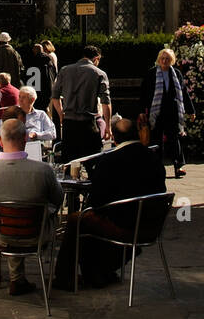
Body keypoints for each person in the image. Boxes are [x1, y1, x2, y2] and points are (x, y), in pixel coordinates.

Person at [52, 116, 166, 290]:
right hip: (150, 225)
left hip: (124, 228)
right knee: (91, 220)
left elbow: (95, 201)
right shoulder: (154, 159)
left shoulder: (110, 161)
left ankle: (64, 277)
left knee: (78, 219)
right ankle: (98, 271)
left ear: (114, 138)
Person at [0, 116, 64, 296]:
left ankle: (17, 278)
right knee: (38, 216)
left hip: (0, 236)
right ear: (25, 139)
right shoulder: (43, 171)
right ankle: (29, 278)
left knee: (6, 218)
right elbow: (58, 200)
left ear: (0, 141)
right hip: (36, 235)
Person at [138, 48, 195, 178]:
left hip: (172, 110)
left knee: (174, 139)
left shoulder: (176, 74)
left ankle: (178, 166)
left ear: (172, 60)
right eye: (162, 58)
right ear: (159, 59)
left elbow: (183, 92)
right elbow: (144, 94)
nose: (164, 61)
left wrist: (191, 110)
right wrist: (142, 111)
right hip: (157, 111)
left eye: (167, 59)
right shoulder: (151, 74)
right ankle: (156, 166)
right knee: (157, 139)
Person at [51, 45, 112, 162]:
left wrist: (61, 114)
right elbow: (106, 102)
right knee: (92, 159)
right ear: (96, 58)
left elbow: (55, 96)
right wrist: (108, 127)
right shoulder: (99, 73)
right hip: (88, 123)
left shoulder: (65, 70)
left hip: (69, 124)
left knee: (69, 162)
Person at [31, 43, 56, 112]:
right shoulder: (49, 59)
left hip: (37, 88)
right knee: (45, 107)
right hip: (48, 87)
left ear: (34, 51)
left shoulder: (33, 60)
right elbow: (54, 72)